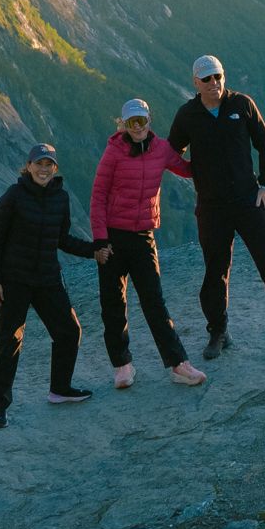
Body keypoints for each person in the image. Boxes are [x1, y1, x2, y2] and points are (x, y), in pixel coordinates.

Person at [169, 52, 265, 357]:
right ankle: (218, 333)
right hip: (212, 206)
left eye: (218, 76)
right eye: (207, 78)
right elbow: (170, 152)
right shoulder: (187, 115)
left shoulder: (241, 105)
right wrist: (192, 172)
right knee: (215, 272)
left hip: (248, 200)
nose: (214, 82)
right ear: (195, 82)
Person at [88, 98, 204, 387]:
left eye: (142, 120)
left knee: (154, 302)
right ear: (123, 125)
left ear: (149, 121)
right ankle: (122, 366)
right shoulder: (113, 153)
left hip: (143, 237)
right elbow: (98, 197)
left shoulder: (161, 150)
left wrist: (211, 149)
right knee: (113, 304)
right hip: (113, 238)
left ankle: (178, 364)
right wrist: (100, 240)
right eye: (132, 122)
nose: (138, 127)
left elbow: (187, 169)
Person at [0, 142, 100, 428]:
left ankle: (60, 389)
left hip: (47, 278)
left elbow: (62, 239)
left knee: (69, 331)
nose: (44, 169)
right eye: (39, 164)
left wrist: (93, 250)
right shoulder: (12, 196)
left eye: (49, 164)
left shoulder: (61, 198)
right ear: (29, 166)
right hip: (14, 281)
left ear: (54, 168)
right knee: (10, 341)